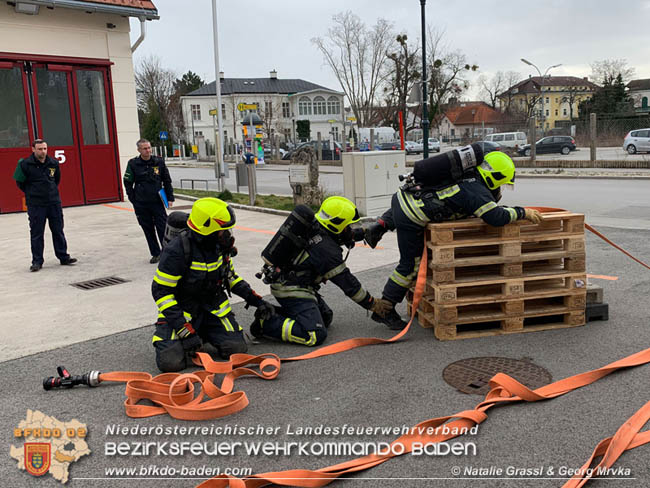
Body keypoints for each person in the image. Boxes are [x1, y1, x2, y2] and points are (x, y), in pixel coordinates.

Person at [363, 151, 543, 330]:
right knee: (410, 266)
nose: (500, 189)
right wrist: (522, 212)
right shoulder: (476, 190)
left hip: (402, 198)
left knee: (410, 253)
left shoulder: (468, 175)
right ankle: (385, 309)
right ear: (493, 177)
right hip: (410, 215)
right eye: (501, 184)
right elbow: (495, 217)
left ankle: (381, 225)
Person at [151, 197, 274, 372]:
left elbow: (231, 278)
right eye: (223, 231)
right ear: (206, 231)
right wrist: (185, 331)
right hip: (182, 312)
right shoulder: (177, 251)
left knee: (237, 350)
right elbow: (161, 292)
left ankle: (204, 332)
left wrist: (257, 301)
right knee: (170, 363)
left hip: (211, 308)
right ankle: (184, 334)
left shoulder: (218, 248)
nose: (228, 235)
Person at [250, 196, 392, 346]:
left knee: (325, 317)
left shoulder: (317, 226)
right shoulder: (327, 252)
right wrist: (372, 303)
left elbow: (341, 235)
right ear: (336, 225)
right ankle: (266, 323)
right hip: (292, 289)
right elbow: (348, 284)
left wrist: (364, 232)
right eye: (346, 226)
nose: (348, 229)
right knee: (314, 334)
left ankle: (271, 312)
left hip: (296, 283)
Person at [13, 139, 77, 272]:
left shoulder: (53, 163)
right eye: (40, 149)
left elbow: (56, 180)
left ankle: (63, 257)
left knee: (58, 230)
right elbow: (19, 182)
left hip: (53, 202)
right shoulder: (25, 164)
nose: (43, 151)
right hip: (36, 205)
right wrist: (32, 193)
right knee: (37, 233)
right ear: (33, 149)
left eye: (45, 148)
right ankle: (37, 261)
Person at [123, 139, 175, 264]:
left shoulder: (158, 162)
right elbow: (128, 182)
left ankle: (166, 252)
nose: (148, 150)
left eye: (149, 148)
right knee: (148, 228)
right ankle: (155, 253)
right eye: (145, 148)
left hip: (157, 201)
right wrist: (133, 199)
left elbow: (166, 180)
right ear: (139, 150)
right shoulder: (133, 163)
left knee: (163, 227)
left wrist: (170, 197)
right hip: (141, 202)